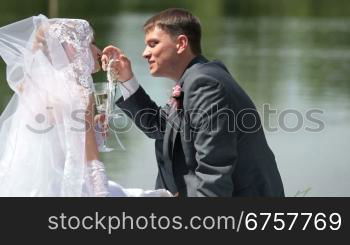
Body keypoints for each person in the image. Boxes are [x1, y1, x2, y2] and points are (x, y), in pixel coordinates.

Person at [102, 8, 285, 197]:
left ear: (181, 43)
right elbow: (160, 127)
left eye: (153, 44)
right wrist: (126, 78)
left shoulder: (205, 85)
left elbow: (214, 170)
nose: (145, 53)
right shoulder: (196, 78)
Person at [0, 14, 171, 197]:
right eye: (91, 43)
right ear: (73, 49)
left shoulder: (32, 89)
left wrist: (94, 131)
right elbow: (91, 163)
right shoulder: (79, 93)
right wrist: (101, 195)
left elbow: (57, 146)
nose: (98, 51)